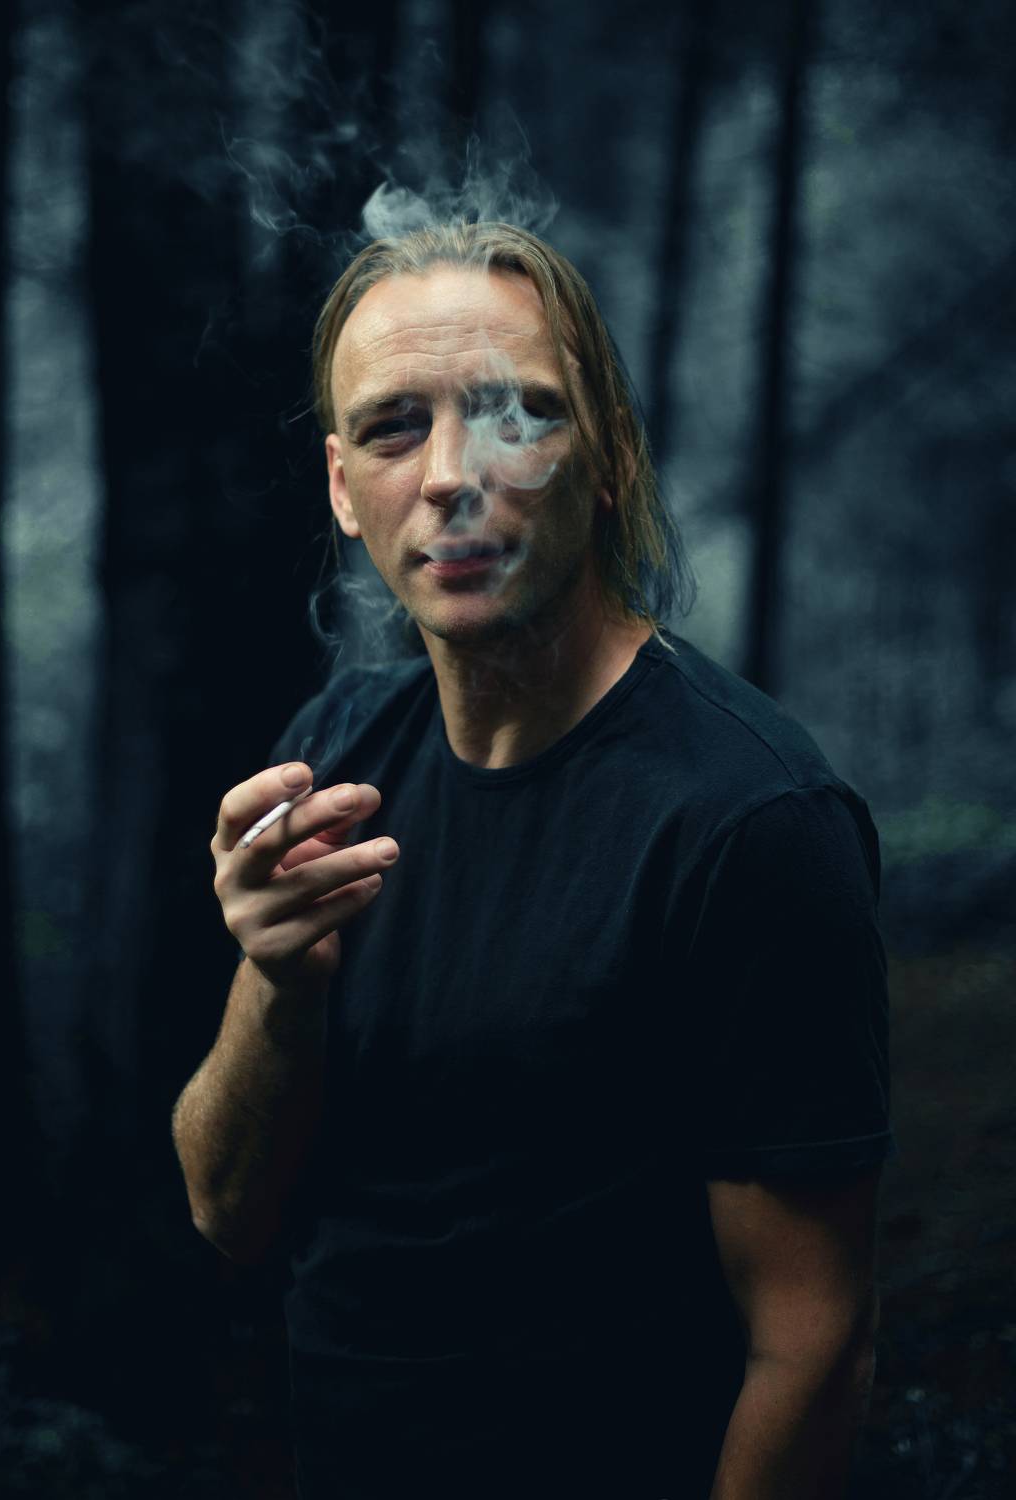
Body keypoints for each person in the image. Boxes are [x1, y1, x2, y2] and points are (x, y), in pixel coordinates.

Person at [172, 221, 894, 1499]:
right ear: (341, 487)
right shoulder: (333, 758)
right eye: (394, 429)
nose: (453, 476)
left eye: (518, 412)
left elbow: (813, 1344)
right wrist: (278, 982)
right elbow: (226, 1211)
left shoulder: (750, 821)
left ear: (605, 453)